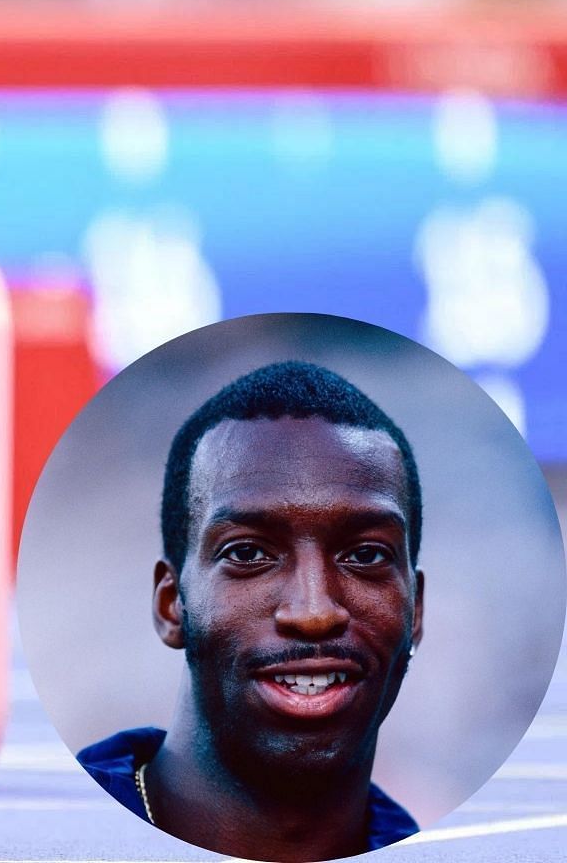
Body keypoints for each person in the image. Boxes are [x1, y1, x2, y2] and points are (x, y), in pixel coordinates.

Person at [76, 361, 424, 862]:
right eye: (247, 553)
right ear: (172, 604)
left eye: (366, 555)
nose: (312, 612)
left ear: (416, 610)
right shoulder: (47, 839)